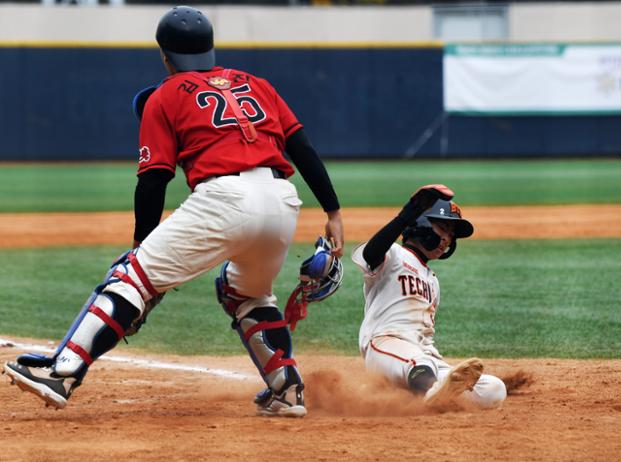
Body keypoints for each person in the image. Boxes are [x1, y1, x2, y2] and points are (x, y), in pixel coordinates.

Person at [3, 5, 343, 418]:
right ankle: (286, 389)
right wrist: (333, 211)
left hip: (224, 197)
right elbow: (301, 147)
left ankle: (63, 371)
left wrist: (140, 247)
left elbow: (153, 179)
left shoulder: (163, 96)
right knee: (247, 292)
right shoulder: (256, 83)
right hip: (282, 200)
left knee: (131, 277)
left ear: (164, 55)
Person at [351, 184, 506, 409]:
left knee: (493, 388)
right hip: (385, 345)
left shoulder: (432, 281)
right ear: (420, 223)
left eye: (451, 235)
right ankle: (430, 392)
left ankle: (422, 392)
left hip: (424, 357)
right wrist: (405, 216)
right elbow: (371, 252)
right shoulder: (393, 255)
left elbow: (426, 335)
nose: (447, 240)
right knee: (419, 362)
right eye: (443, 228)